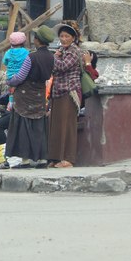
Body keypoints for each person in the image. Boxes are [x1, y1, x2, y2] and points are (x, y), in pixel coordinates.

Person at [3, 25, 55, 169]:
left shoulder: (31, 57)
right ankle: (42, 159)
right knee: (39, 127)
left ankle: (25, 160)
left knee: (23, 127)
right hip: (39, 94)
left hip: (25, 95)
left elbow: (20, 77)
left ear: (37, 40)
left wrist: (9, 82)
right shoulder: (51, 57)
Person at [48, 22, 83, 168]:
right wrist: (56, 57)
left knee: (68, 126)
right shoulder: (61, 50)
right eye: (61, 36)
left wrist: (54, 58)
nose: (63, 39)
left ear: (73, 38)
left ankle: (68, 158)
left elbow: (62, 67)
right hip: (57, 91)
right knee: (56, 126)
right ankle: (56, 157)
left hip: (69, 92)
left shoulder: (74, 51)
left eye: (67, 36)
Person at [3, 31, 29, 112]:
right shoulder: (25, 52)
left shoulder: (8, 52)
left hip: (10, 77)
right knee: (18, 90)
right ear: (23, 42)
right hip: (20, 77)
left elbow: (5, 62)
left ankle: (10, 103)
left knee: (11, 91)